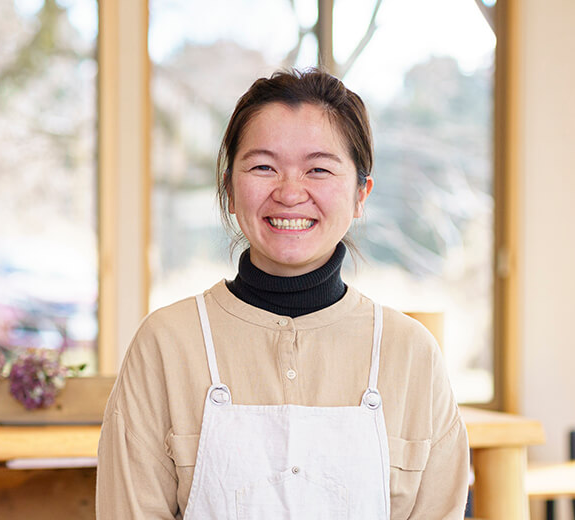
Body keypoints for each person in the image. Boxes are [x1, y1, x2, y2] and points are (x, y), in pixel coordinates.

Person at [96, 68, 469, 519]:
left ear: (360, 194)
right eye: (263, 167)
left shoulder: (410, 355)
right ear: (229, 187)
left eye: (318, 169)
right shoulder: (167, 344)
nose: (291, 193)